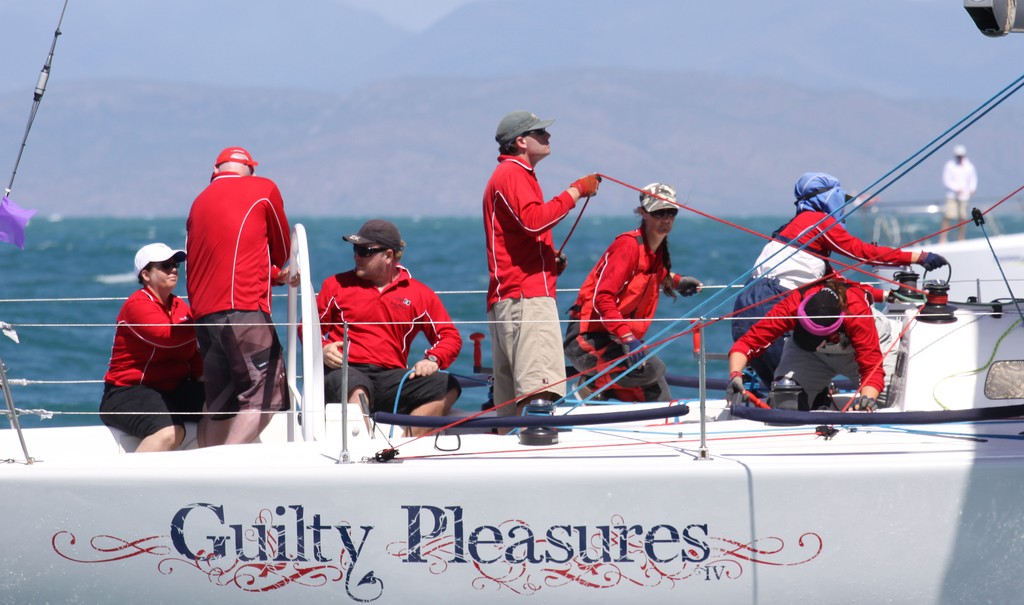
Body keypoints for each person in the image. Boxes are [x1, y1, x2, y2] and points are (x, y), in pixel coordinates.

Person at [731, 172, 948, 387]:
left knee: (776, 386)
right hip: (774, 301)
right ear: (828, 198)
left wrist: (888, 295)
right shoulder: (816, 222)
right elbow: (862, 252)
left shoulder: (792, 230)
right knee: (789, 388)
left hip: (745, 303)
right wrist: (918, 257)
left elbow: (836, 284)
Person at [483, 110, 601, 417]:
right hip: (526, 299)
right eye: (540, 133)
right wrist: (577, 190)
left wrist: (548, 261)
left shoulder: (510, 176)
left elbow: (519, 234)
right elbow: (534, 222)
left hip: (511, 297)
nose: (548, 137)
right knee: (540, 390)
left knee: (511, 402)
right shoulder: (512, 174)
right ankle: (537, 449)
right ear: (520, 142)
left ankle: (511, 454)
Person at [186, 146, 292, 447]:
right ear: (250, 171)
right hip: (243, 308)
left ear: (216, 170)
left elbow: (216, 257)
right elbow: (281, 247)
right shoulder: (262, 188)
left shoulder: (199, 202)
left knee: (220, 406)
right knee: (267, 393)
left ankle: (207, 475)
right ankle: (227, 466)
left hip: (205, 317)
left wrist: (269, 275)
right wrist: (277, 271)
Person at [317, 220, 463, 437]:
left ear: (388, 255)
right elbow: (308, 327)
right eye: (355, 249)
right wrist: (324, 348)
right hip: (348, 370)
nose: (356, 256)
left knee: (448, 385)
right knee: (356, 388)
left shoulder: (418, 294)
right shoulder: (335, 285)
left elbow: (449, 336)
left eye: (365, 251)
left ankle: (403, 447)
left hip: (391, 377)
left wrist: (433, 360)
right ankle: (363, 454)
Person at [564, 183, 703, 402]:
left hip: (617, 339)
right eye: (658, 213)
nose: (666, 218)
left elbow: (651, 273)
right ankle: (590, 386)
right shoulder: (628, 246)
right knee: (653, 368)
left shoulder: (653, 250)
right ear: (643, 214)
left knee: (660, 395)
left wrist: (677, 281)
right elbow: (603, 298)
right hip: (586, 339)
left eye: (671, 212)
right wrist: (628, 338)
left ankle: (610, 396)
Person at [727, 277, 897, 412]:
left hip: (861, 351)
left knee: (886, 403)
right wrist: (735, 375)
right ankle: (818, 401)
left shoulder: (856, 312)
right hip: (809, 356)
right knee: (786, 400)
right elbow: (748, 343)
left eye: (813, 338)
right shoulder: (793, 304)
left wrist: (867, 400)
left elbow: (871, 369)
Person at [99, 243, 204, 452]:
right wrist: (207, 326)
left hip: (169, 390)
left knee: (226, 403)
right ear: (146, 275)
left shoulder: (179, 306)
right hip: (126, 393)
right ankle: (131, 483)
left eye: (176, 265)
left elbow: (193, 354)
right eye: (165, 265)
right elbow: (165, 337)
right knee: (170, 432)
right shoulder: (137, 305)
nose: (174, 269)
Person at [940, 145, 977, 243]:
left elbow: (973, 179)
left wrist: (972, 189)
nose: (960, 158)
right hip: (952, 196)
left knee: (962, 217)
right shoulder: (950, 165)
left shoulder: (969, 166)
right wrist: (956, 188)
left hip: (964, 196)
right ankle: (943, 239)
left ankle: (961, 238)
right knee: (948, 216)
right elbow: (946, 180)